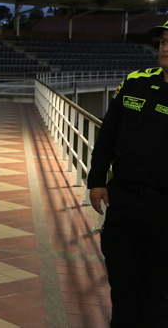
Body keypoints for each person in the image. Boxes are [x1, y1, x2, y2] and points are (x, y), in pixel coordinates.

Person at [88, 20, 168, 327]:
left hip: (164, 211)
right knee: (123, 288)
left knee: (160, 294)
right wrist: (96, 180)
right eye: (163, 41)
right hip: (124, 204)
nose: (165, 48)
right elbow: (108, 133)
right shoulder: (136, 81)